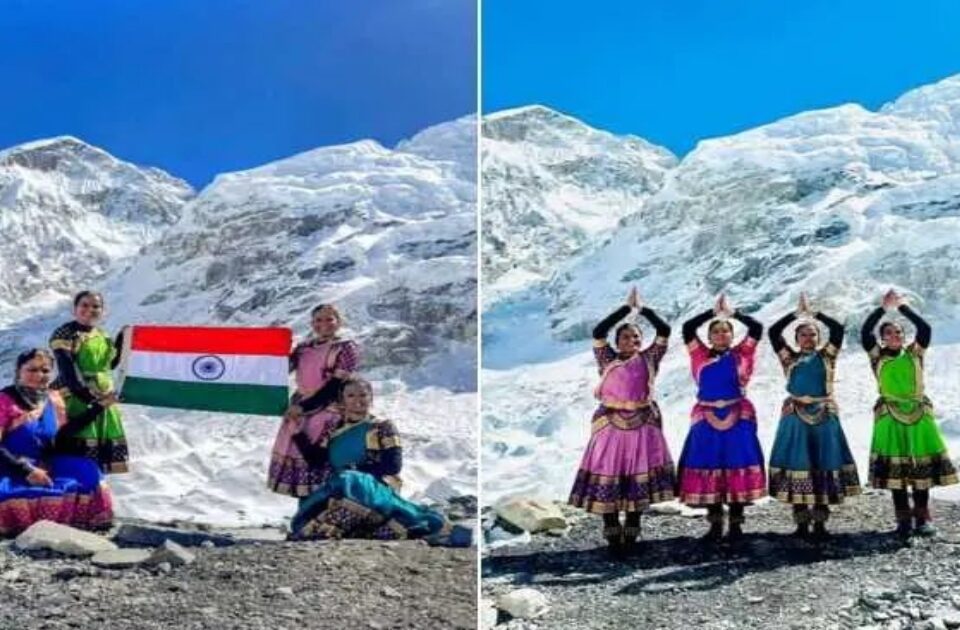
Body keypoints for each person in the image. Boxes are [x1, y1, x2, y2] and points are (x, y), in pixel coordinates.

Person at [288, 378, 470, 546]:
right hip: (340, 487)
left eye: (363, 395)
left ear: (371, 398)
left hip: (374, 488)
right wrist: (297, 432)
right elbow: (316, 461)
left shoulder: (382, 427)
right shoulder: (333, 430)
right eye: (351, 395)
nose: (358, 400)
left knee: (351, 479)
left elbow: (393, 466)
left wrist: (355, 470)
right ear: (342, 400)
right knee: (314, 503)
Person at [568, 287, 675, 555]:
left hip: (642, 423)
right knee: (609, 471)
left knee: (638, 471)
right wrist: (626, 309)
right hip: (610, 423)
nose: (632, 340)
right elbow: (598, 332)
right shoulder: (608, 359)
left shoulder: (649, 358)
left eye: (636, 336)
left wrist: (643, 310)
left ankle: (633, 526)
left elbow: (664, 330)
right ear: (617, 342)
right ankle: (611, 526)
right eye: (626, 337)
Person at [861, 289, 957, 538]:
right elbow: (865, 332)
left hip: (918, 414)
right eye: (889, 333)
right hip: (890, 416)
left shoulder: (914, 353)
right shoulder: (877, 356)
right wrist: (883, 309)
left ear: (904, 336)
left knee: (920, 466)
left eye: (898, 333)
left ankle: (922, 518)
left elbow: (925, 328)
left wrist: (902, 307)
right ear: (882, 339)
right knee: (898, 469)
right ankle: (903, 519)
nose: (895, 336)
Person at [767, 293, 860, 540]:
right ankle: (800, 522)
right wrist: (796, 315)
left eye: (812, 334)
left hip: (824, 415)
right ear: (796, 339)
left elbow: (837, 330)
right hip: (795, 416)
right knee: (799, 463)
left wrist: (815, 314)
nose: (808, 338)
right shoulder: (789, 358)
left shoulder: (827, 356)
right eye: (803, 335)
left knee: (823, 463)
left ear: (818, 338)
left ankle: (820, 522)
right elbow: (773, 332)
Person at [676, 294, 766, 543]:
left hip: (739, 415)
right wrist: (712, 313)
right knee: (708, 464)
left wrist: (733, 314)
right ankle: (715, 523)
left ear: (732, 335)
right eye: (715, 331)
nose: (721, 334)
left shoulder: (743, 353)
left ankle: (736, 524)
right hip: (706, 417)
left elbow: (757, 328)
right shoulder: (699, 355)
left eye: (726, 331)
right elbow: (687, 328)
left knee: (736, 464)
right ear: (709, 337)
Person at [0, 349, 114, 536]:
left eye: (45, 370)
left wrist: (98, 407)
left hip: (43, 463)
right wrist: (26, 470)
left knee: (87, 469)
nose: (39, 375)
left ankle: (85, 524)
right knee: (13, 492)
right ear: (18, 371)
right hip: (9, 465)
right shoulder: (4, 400)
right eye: (32, 370)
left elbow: (62, 435)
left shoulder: (53, 398)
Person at [267, 303, 361, 497]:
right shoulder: (304, 348)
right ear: (312, 323)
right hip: (299, 409)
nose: (323, 324)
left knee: (317, 461)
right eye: (318, 320)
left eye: (329, 319)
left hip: (327, 409)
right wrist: (273, 346)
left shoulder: (345, 348)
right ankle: (306, 509)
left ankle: (325, 507)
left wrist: (304, 407)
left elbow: (335, 385)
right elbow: (281, 369)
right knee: (298, 458)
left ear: (339, 322)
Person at [49, 291, 127, 473]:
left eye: (95, 306)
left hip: (103, 396)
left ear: (102, 311)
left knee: (98, 460)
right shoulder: (65, 333)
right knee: (77, 450)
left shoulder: (102, 335)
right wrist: (92, 400)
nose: (90, 310)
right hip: (75, 396)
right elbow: (68, 371)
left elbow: (109, 364)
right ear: (75, 308)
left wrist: (123, 338)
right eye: (84, 305)